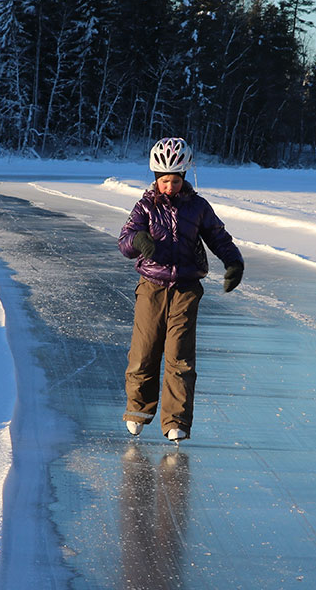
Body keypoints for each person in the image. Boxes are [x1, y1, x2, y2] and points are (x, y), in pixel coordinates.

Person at [117, 137, 244, 442]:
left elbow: (218, 236)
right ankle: (138, 409)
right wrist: (138, 241)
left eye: (174, 181)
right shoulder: (145, 206)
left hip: (187, 289)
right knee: (144, 351)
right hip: (151, 287)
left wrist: (233, 262)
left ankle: (176, 420)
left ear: (184, 177)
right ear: (155, 179)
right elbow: (125, 239)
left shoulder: (198, 207)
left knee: (179, 355)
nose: (168, 187)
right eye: (163, 181)